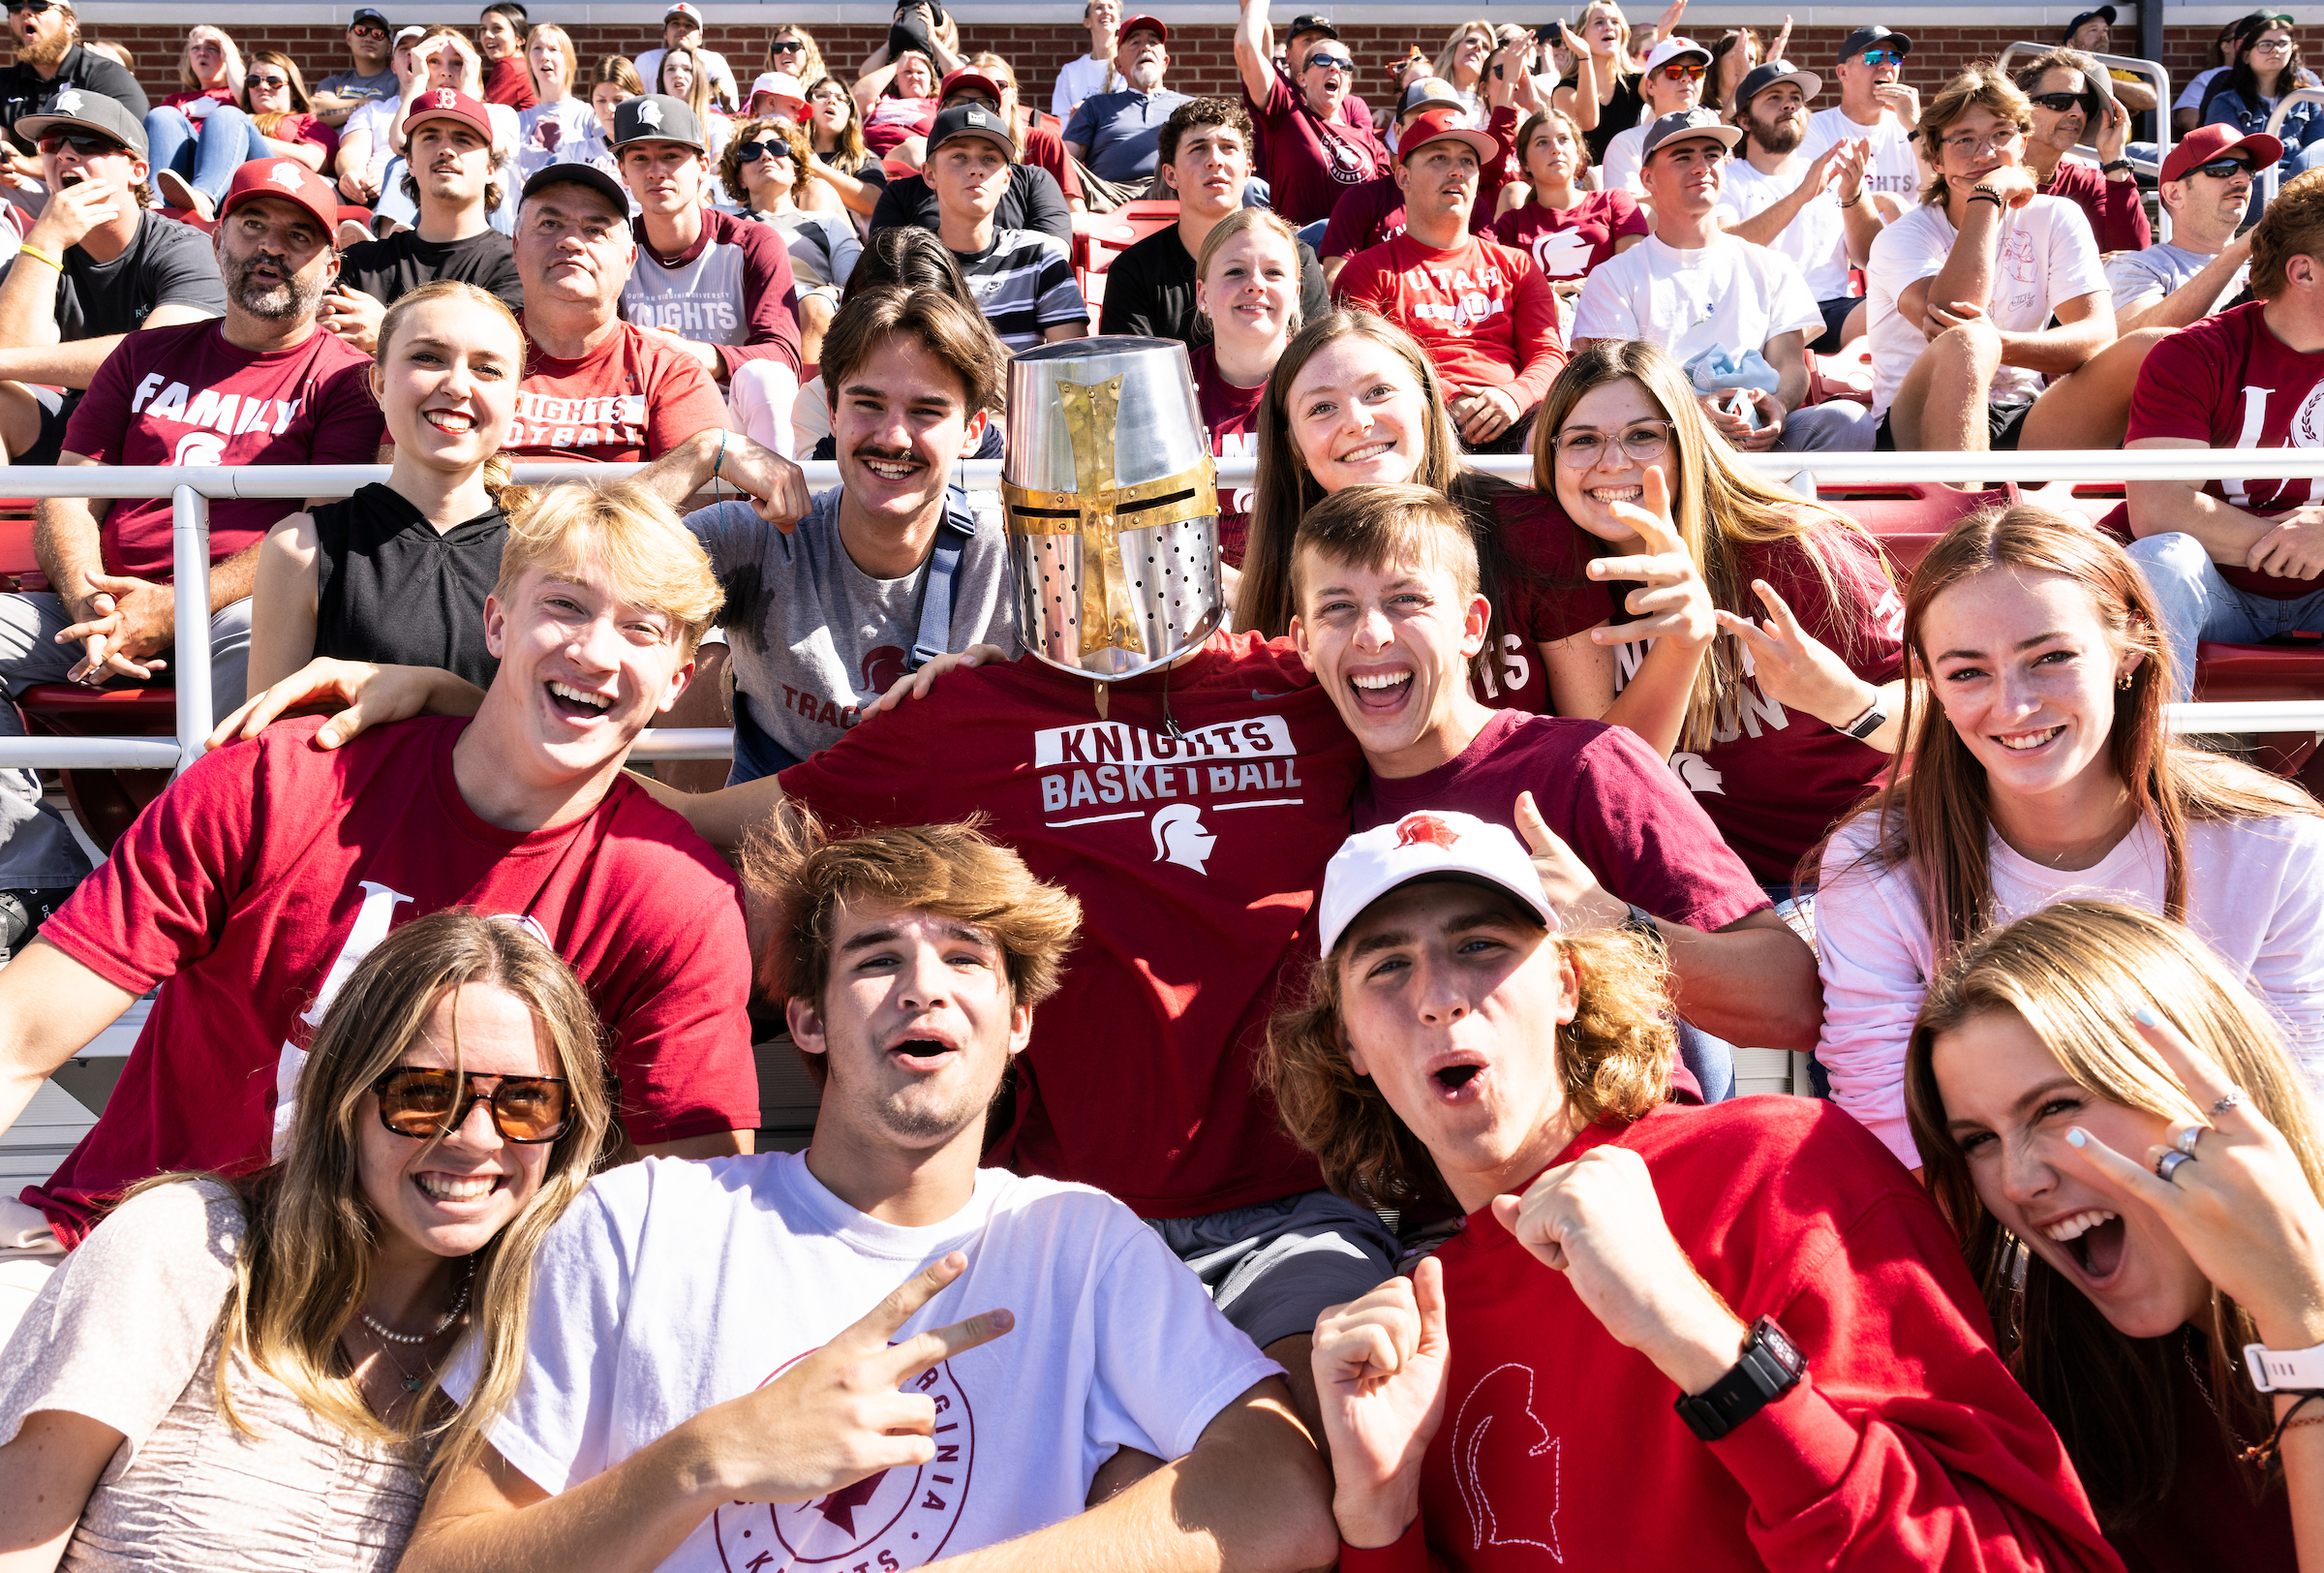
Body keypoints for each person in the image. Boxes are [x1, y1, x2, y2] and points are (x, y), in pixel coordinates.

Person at [391, 815, 1336, 1573]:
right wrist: (712, 1458)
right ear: (806, 1016)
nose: (923, 986)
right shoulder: (634, 1223)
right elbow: (443, 1558)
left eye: (965, 957)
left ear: (1017, 1020)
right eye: (878, 957)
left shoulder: (1077, 1245)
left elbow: (1282, 1498)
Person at [0, 472, 762, 1342]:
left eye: (640, 629)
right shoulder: (278, 780)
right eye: (565, 605)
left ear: (679, 678)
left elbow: (692, 1199)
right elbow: (20, 1037)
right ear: (497, 621)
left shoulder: (676, 898)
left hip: (418, 1329)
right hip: (133, 1251)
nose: (594, 651)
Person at [1266, 811, 2125, 1572]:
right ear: (1347, 1041)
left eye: (1480, 946)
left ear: (1565, 985)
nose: (1441, 998)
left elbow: (2020, 1558)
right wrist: (1380, 1521)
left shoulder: (1778, 1170)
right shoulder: (1417, 1339)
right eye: (1387, 967)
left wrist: (1699, 1338)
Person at [0, 910, 617, 1557]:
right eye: (426, 1093)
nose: (475, 1139)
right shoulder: (186, 1244)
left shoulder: (540, 1349)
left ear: (568, 1126)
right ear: (345, 1096)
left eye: (525, 1101)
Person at [1814, 503, 2324, 1173]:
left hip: (2216, 1214)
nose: (2015, 705)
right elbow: (1885, 1116)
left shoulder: (2273, 843)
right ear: (1931, 685)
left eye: (2051, 657)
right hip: (1985, 1225)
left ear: (2130, 650)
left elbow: (2299, 1097)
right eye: (1968, 672)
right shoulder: (1879, 862)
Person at [1286, 482, 1820, 1071]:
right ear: (1304, 644)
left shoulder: (1586, 766)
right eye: (1337, 608)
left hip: (1619, 1150)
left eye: (1406, 601)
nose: (1372, 634)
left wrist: (1614, 923)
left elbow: (1792, 997)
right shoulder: (1308, 802)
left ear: (1472, 625)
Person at [0, 157, 378, 941]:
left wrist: (170, 610)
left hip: (238, 609)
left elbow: (311, 531)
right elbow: (69, 492)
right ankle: (34, 876)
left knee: (277, 654)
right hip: (101, 600)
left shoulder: (345, 379)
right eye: (253, 227)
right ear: (218, 243)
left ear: (331, 265)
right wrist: (88, 600)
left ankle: (202, 889)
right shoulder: (143, 357)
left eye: (298, 236)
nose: (271, 248)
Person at [1911, 899, 2324, 1568]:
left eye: (2055, 1107)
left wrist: (2301, 1317)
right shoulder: (2058, 1389)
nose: (2018, 1182)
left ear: (2195, 1086)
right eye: (1979, 1140)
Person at [1534, 340, 1906, 891]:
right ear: (1550, 456)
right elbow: (1611, 786)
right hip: (1691, 885)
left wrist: (1847, 701)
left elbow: (1945, 714)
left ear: (1687, 444)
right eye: (1584, 440)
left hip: (1849, 875)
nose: (1612, 462)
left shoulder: (1796, 551)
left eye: (1642, 435)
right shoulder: (1555, 574)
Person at [681, 286, 1018, 779]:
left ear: (972, 432)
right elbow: (573, 574)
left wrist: (1010, 692)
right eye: (868, 404)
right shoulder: (756, 538)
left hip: (945, 851)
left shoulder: (1019, 558)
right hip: (775, 851)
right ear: (833, 413)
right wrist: (701, 453)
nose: (893, 437)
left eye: (926, 411)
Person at [1239, 310, 1614, 723]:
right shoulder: (1282, 564)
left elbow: (1594, 736)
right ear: (1293, 443)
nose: (1358, 422)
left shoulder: (1532, 528)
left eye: (1378, 391)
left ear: (1424, 400)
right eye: (1322, 407)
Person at [249, 281, 525, 694]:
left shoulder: (551, 551)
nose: (457, 386)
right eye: (427, 358)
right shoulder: (300, 548)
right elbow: (269, 741)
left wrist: (428, 692)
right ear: (378, 384)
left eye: (487, 369)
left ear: (515, 403)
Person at [2124, 167, 2324, 698]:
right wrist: (2301, 543)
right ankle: (2159, 772)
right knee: (2163, 563)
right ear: (2303, 272)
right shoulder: (2193, 354)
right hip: (2217, 591)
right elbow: (2160, 508)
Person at [1862, 65, 2124, 454]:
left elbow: (2097, 335)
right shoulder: (1901, 237)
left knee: (2147, 349)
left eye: (2001, 134)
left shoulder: (2057, 216)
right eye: (1963, 140)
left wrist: (1998, 342)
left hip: (2022, 412)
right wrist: (1988, 197)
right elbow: (1949, 322)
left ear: (2022, 143)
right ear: (1936, 160)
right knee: (1967, 343)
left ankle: (2172, 507)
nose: (1984, 153)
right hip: (1917, 424)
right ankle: (1957, 510)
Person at [1575, 109, 1869, 454]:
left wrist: (1778, 404)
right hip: (1667, 441)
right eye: (1683, 157)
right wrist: (1693, 413)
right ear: (1648, 178)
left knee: (1849, 420)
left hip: (1758, 437)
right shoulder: (1613, 277)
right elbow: (1616, 387)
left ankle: (1780, 507)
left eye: (1712, 155)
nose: (1702, 166)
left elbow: (1789, 364)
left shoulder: (1771, 265)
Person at [0, 91, 225, 468]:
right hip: (80, 426)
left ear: (137, 171)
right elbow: (11, 354)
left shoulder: (184, 248)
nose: (66, 155)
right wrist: (46, 239)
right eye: (52, 143)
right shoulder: (41, 250)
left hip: (172, 428)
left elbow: (154, 357)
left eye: (89, 143)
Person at [1333, 108, 1564, 456]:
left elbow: (1548, 355)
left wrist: (1513, 397)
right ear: (1403, 178)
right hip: (1416, 419)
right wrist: (1445, 398)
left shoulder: (1517, 265)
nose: (1457, 170)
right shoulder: (1367, 271)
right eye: (1439, 158)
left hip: (1518, 416)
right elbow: (1362, 364)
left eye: (1468, 162)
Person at [608, 95, 804, 456]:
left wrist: (692, 354)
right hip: (649, 414)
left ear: (702, 166)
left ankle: (776, 511)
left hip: (737, 421)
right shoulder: (612, 249)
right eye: (639, 158)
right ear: (623, 172)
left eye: (671, 156)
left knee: (765, 378)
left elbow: (783, 356)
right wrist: (645, 347)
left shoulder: (753, 242)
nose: (655, 171)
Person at [1100, 97, 1327, 343]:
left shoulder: (1295, 260)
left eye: (1228, 147)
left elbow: (1321, 360)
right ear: (1170, 175)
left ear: (1248, 170)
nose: (1215, 160)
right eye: (1198, 148)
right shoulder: (1135, 271)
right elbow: (1132, 375)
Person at [328, 88, 522, 354]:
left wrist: (385, 331)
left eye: (463, 140)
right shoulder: (359, 263)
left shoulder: (517, 266)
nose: (445, 150)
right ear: (408, 161)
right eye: (430, 138)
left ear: (491, 169)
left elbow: (488, 355)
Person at [1719, 59, 1878, 355]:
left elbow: (1871, 258)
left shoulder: (1834, 174)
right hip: (1761, 318)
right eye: (1774, 98)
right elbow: (1724, 250)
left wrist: (1854, 196)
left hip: (1833, 311)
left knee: (1901, 304)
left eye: (1796, 99)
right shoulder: (1724, 179)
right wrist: (1799, 196)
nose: (1789, 105)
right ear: (1744, 120)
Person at [1316, 74, 1524, 291]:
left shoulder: (1469, 200)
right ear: (1397, 131)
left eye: (1447, 117)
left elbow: (1497, 274)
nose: (1437, 126)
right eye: (1422, 118)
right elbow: (1335, 283)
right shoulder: (1361, 200)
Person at [1190, 208, 1301, 571]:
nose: (1255, 284)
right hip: (1195, 594)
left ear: (1296, 295)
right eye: (1235, 271)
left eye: (1273, 272)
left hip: (1309, 587)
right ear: (1202, 295)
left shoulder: (1327, 382)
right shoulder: (1167, 388)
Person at [926, 103, 1086, 353]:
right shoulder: (908, 261)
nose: (976, 169)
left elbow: (1073, 366)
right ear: (929, 174)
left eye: (990, 159)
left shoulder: (1039, 256)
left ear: (1006, 180)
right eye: (959, 156)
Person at [868, 66, 1073, 245]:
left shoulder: (1033, 182)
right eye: (959, 104)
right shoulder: (901, 194)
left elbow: (1053, 256)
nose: (972, 110)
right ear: (938, 113)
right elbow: (884, 270)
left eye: (984, 104)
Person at [1235, 0, 1390, 228]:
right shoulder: (1286, 112)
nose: (1334, 67)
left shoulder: (1371, 144)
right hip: (1301, 249)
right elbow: (1248, 48)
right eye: (1322, 60)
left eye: (1344, 65)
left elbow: (1389, 209)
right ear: (1302, 79)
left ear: (1348, 84)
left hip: (1358, 250)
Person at [1489, 106, 1646, 318]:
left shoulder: (1613, 201)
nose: (1555, 149)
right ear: (1524, 162)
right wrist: (1556, 289)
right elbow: (1501, 287)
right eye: (1542, 142)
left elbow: (1633, 273)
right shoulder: (1512, 224)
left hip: (1610, 319)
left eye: (1564, 139)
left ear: (1578, 152)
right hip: (1542, 325)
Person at [2105, 123, 2263, 334]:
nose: (2242, 178)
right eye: (2223, 168)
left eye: (2249, 169)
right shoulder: (2137, 267)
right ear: (2174, 194)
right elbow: (2137, 343)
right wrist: (2237, 253)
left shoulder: (2275, 264)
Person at [722, 117, 856, 366]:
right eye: (750, 152)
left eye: (777, 147)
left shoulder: (826, 222)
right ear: (740, 178)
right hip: (741, 311)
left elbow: (855, 284)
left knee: (815, 305)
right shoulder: (722, 220)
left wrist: (832, 292)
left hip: (810, 311)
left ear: (796, 170)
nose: (765, 156)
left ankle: (808, 396)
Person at [0, 0, 147, 197]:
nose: (25, 12)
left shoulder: (106, 76)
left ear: (69, 23)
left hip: (93, 190)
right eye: (15, 7)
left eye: (38, 5)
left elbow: (125, 150)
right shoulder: (5, 81)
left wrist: (26, 164)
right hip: (23, 190)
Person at [2013, 49, 2149, 254]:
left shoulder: (2087, 183)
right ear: (2023, 108)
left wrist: (2115, 157)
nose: (2077, 113)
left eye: (2085, 103)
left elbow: (2132, 256)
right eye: (2060, 101)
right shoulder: (1991, 174)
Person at [1797, 24, 1921, 215]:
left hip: (1906, 243)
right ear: (1843, 73)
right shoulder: (1814, 129)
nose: (1886, 65)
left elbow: (1936, 194)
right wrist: (1882, 202)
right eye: (1873, 57)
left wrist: (1916, 127)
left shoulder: (1910, 129)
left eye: (1894, 58)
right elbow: (1814, 205)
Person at [143, 26, 261, 220]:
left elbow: (248, 101)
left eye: (212, 48)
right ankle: (156, 204)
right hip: (185, 168)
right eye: (195, 48)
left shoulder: (238, 94)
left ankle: (204, 200)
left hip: (232, 166)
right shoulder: (177, 100)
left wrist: (231, 55)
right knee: (161, 115)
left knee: (225, 116)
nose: (202, 53)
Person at [1064, 14, 1192, 187]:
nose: (1146, 48)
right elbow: (1066, 159)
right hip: (1108, 195)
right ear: (1119, 65)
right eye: (1135, 42)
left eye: (1153, 42)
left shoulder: (1191, 108)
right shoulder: (1096, 105)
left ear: (1165, 63)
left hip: (1173, 190)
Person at [2206, 17, 2324, 193]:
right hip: (2249, 182)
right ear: (2246, 55)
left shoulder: (2305, 98)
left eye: (2283, 43)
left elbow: (2316, 152)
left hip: (2301, 181)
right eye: (2265, 44)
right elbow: (2230, 161)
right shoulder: (2225, 102)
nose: (2275, 50)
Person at [1600, 36, 1711, 195]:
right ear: (1650, 86)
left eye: (1696, 72)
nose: (1686, 78)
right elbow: (1626, 212)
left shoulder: (1719, 137)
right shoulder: (1627, 144)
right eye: (1674, 72)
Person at [1553, 0, 1644, 168]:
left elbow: (1666, 93)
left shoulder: (1637, 80)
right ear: (1581, 36)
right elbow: (1587, 122)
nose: (1609, 27)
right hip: (1587, 184)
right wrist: (1584, 56)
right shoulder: (1565, 89)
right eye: (1599, 22)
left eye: (1615, 22)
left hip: (1631, 178)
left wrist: (1662, 36)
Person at [513, 23, 604, 187]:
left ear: (568, 60)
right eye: (537, 48)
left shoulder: (589, 116)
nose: (544, 56)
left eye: (553, 49)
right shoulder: (518, 120)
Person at [801, 73, 888, 223]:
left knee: (818, 188)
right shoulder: (787, 155)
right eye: (821, 95)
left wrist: (814, 166)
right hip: (791, 235)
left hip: (848, 240)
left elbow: (874, 202)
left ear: (850, 115)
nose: (831, 100)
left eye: (841, 99)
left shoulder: (863, 159)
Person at [234, 51, 335, 180]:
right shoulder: (239, 118)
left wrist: (246, 135)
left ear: (293, 90)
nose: (263, 86)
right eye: (253, 81)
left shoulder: (308, 122)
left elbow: (313, 161)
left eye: (274, 81)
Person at [633, 2, 738, 117]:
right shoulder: (646, 60)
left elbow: (730, 110)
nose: (682, 28)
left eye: (689, 25)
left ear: (700, 38)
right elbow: (635, 105)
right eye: (675, 24)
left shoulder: (714, 61)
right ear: (665, 34)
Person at [312, 8, 399, 129]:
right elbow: (314, 111)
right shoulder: (333, 82)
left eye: (378, 34)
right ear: (348, 38)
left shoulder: (398, 82)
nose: (368, 38)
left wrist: (337, 104)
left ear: (389, 46)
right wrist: (368, 103)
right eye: (360, 31)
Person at [854, 46, 940, 161]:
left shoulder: (938, 103)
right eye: (907, 72)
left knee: (913, 151)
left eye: (920, 72)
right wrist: (897, 65)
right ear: (895, 80)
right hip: (867, 156)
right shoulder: (880, 99)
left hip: (913, 158)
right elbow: (856, 98)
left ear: (931, 82)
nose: (914, 77)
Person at [654, 44, 731, 162]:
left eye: (687, 69)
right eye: (670, 69)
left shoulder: (717, 123)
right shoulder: (651, 126)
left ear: (698, 77)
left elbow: (720, 170)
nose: (678, 74)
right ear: (661, 79)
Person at [1054, 0, 1122, 121]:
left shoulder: (1126, 67)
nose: (1106, 11)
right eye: (1099, 7)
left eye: (1111, 7)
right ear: (1087, 22)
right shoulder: (1070, 71)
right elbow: (1060, 120)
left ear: (1119, 23)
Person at [476, 1, 535, 111]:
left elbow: (482, 114)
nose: (487, 35)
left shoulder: (510, 66)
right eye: (483, 29)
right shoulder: (525, 64)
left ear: (519, 38)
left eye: (497, 28)